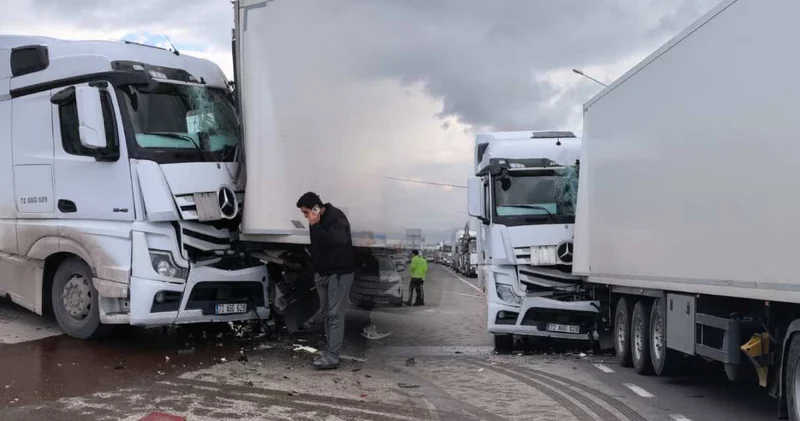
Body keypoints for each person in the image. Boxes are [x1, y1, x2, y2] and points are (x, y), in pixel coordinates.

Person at [296, 192, 355, 370]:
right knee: (327, 314)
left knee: (335, 314)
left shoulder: (337, 218)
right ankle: (330, 351)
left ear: (316, 208)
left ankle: (333, 357)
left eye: (306, 212)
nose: (306, 216)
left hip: (338, 273)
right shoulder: (316, 222)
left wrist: (315, 226)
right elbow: (317, 246)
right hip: (323, 272)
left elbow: (335, 241)